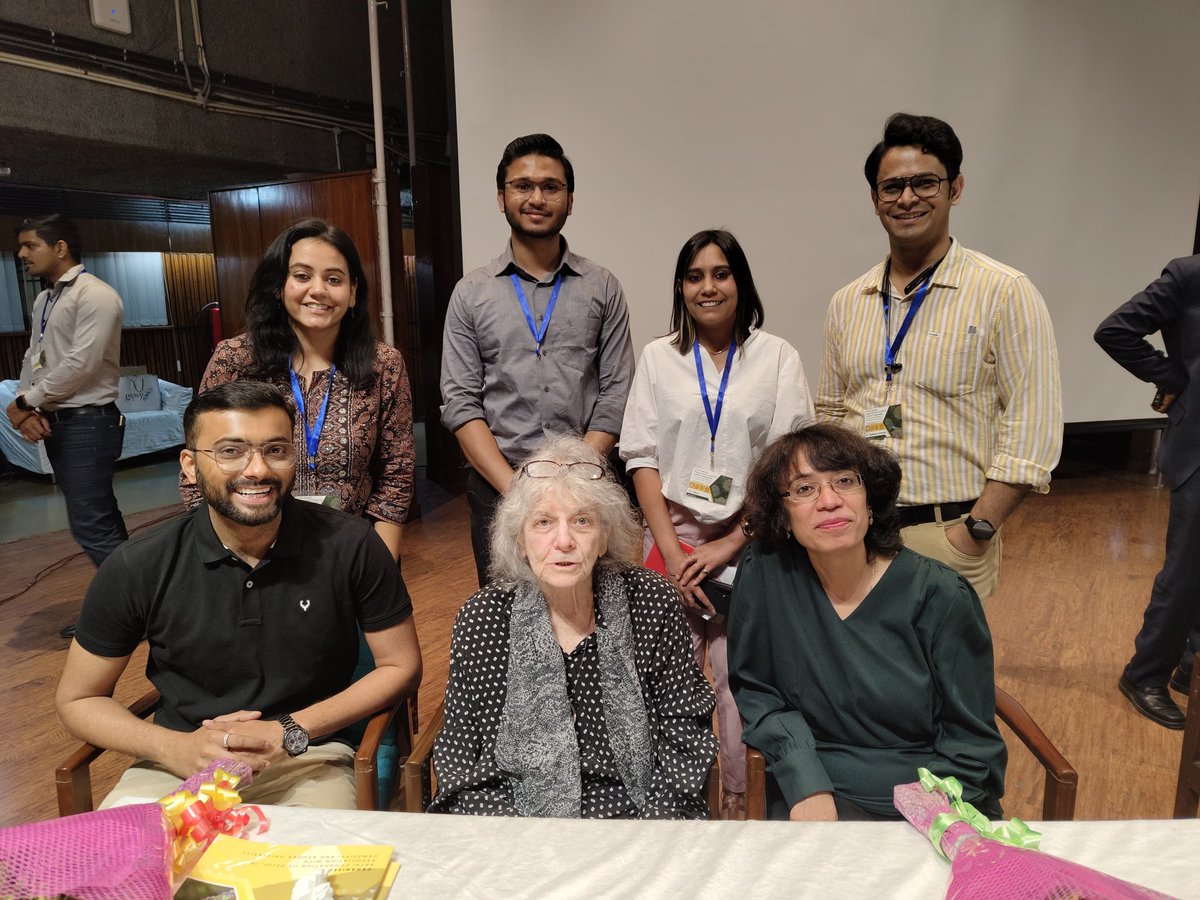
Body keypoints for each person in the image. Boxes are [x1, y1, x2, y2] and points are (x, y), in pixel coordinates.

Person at [56, 381, 422, 808]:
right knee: (123, 869)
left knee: (316, 869)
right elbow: (77, 698)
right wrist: (172, 747)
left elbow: (401, 665)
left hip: (309, 757)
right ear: (190, 466)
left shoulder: (351, 544)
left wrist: (287, 729)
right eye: (230, 451)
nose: (257, 470)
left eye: (275, 450)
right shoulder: (138, 564)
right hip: (177, 760)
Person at [816, 112, 1062, 600]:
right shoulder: (848, 301)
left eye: (924, 182)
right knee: (864, 672)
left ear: (955, 188)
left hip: (949, 532)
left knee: (947, 676)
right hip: (859, 533)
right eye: (892, 187)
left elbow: (1033, 427)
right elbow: (831, 415)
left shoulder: (1004, 292)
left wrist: (976, 532)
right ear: (875, 199)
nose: (907, 198)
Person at [620, 229, 814, 819]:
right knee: (669, 672)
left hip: (752, 536)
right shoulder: (659, 357)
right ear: (681, 287)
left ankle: (736, 797)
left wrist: (732, 542)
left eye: (721, 273)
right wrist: (672, 552)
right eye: (695, 275)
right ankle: (675, 797)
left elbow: (787, 464)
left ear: (741, 282)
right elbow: (642, 457)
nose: (708, 286)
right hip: (671, 538)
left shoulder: (777, 356)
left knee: (737, 675)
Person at [429, 435, 717, 818]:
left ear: (603, 537)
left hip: (636, 824)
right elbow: (459, 751)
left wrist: (649, 834)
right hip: (513, 828)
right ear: (520, 540)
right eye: (543, 522)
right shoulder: (484, 617)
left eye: (582, 521)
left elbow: (685, 734)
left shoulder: (651, 601)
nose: (563, 541)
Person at [728, 423, 1006, 821]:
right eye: (805, 489)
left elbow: (972, 746)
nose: (829, 501)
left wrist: (925, 813)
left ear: (870, 502)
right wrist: (804, 779)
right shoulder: (765, 574)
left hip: (931, 792)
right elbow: (757, 690)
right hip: (816, 783)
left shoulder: (940, 596)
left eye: (844, 481)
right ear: (784, 517)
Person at [440, 133, 635, 586]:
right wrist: (519, 492)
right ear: (501, 197)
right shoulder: (471, 294)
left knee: (594, 607)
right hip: (499, 489)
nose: (537, 197)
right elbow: (460, 402)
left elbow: (617, 392)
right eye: (522, 186)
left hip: (589, 487)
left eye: (551, 186)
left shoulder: (602, 287)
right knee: (505, 613)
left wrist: (574, 480)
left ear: (569, 200)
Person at [182, 218, 414, 561]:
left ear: (352, 293)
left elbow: (397, 472)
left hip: (349, 551)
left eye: (333, 279)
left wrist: (377, 567)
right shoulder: (234, 359)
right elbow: (199, 470)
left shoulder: (384, 365)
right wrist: (229, 562)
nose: (318, 290)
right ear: (279, 286)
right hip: (248, 552)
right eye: (302, 276)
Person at [6, 214, 128, 639]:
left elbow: (82, 364)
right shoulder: (45, 300)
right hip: (62, 420)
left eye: (29, 245)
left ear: (60, 248)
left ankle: (138, 612)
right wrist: (24, 407)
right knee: (99, 522)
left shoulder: (97, 296)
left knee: (92, 524)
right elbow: (34, 357)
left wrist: (26, 400)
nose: (21, 254)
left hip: (89, 423)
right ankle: (135, 608)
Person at [1095, 255, 1200, 730]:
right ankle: (1145, 674)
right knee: (1187, 570)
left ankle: (1190, 662)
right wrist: (1174, 378)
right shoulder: (1190, 275)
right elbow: (1115, 331)